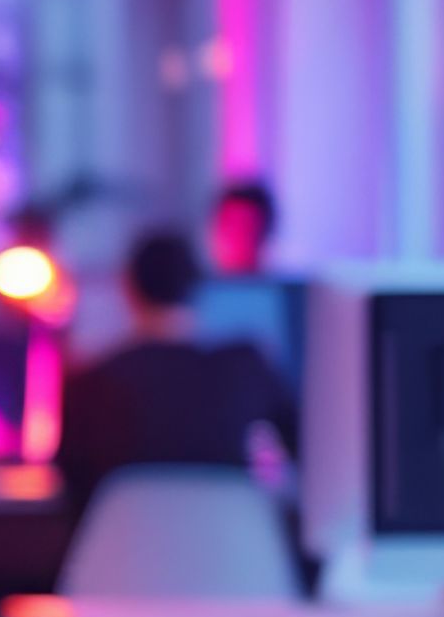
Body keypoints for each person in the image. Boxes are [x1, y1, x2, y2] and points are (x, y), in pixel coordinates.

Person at [53, 226, 296, 511]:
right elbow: (306, 448)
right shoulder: (247, 368)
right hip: (231, 549)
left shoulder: (88, 384)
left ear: (128, 288)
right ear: (199, 287)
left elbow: (71, 491)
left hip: (123, 551)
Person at [207, 177, 280, 278]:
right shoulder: (191, 289)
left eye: (247, 229)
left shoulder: (283, 291)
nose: (238, 238)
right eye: (231, 227)